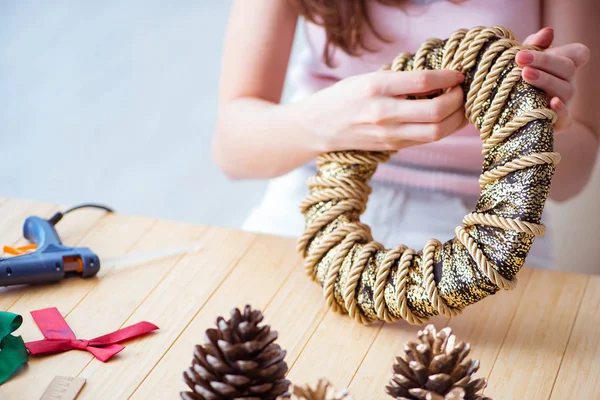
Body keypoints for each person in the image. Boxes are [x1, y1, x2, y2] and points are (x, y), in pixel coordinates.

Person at [213, 0, 598, 269]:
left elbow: (570, 182)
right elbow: (232, 148)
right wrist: (324, 121)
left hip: (493, 222)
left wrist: (536, 131)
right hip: (308, 203)